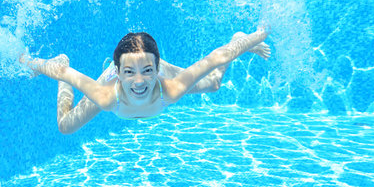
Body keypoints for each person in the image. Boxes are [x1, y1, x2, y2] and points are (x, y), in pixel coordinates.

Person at [19, 28, 270, 134]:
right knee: (65, 126)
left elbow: (219, 57)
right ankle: (63, 57)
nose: (139, 82)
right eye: (129, 73)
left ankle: (237, 37)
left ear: (157, 68)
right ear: (118, 71)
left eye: (147, 71)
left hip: (158, 72)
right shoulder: (107, 96)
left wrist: (257, 35)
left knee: (214, 84)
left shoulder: (169, 89)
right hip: (115, 78)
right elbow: (63, 74)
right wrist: (30, 62)